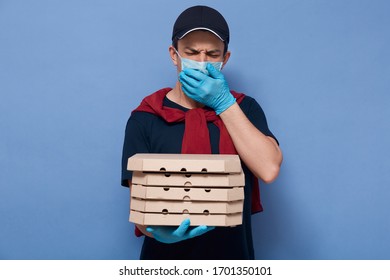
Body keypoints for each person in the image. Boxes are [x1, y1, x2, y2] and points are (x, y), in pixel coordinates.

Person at [121, 5, 283, 260]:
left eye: (212, 54)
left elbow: (269, 168)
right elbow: (139, 207)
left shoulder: (244, 108)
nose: (202, 61)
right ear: (174, 54)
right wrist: (157, 232)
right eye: (192, 52)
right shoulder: (146, 117)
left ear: (225, 58)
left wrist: (223, 103)